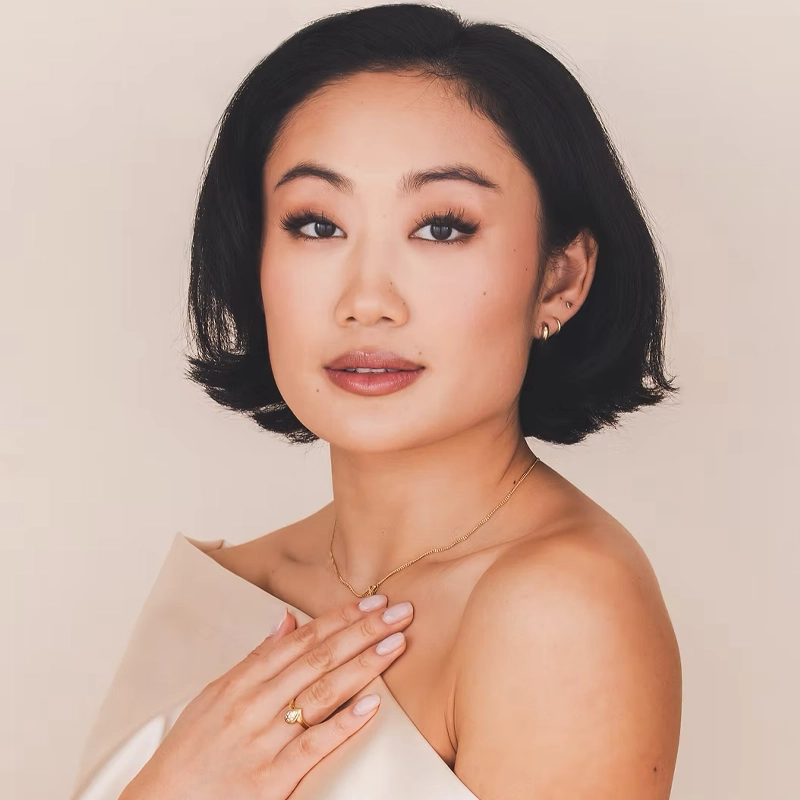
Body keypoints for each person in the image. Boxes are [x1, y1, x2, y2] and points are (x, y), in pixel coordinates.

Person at [70, 4, 683, 799]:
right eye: (316, 224)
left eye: (442, 228)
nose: (366, 300)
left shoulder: (560, 609)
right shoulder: (237, 580)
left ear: (559, 279)